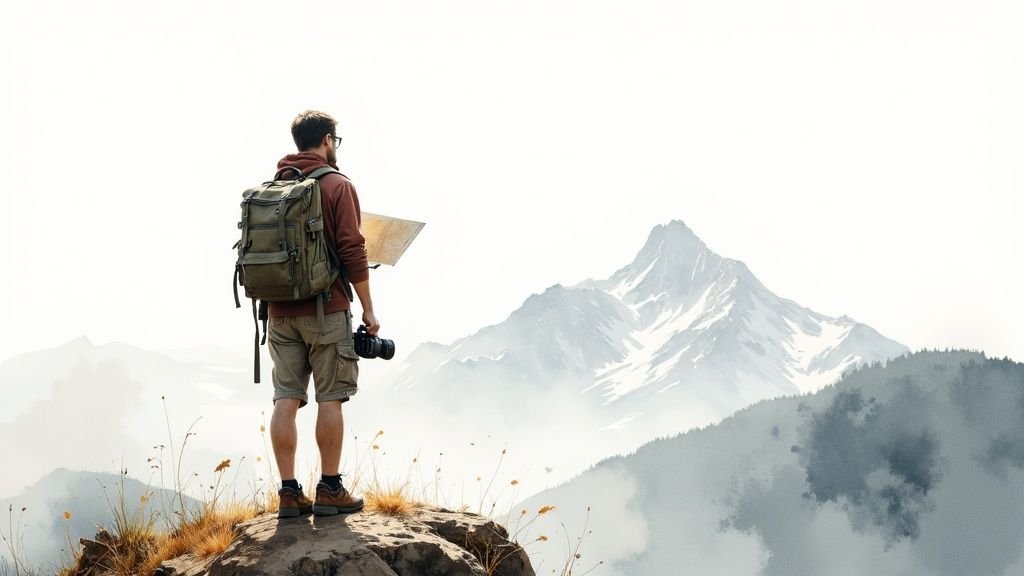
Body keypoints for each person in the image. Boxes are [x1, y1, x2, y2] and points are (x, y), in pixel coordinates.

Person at [269, 110, 379, 517]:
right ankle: (330, 489)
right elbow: (353, 249)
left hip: (278, 311)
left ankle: (287, 492)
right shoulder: (337, 185)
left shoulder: (274, 186)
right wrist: (368, 309)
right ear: (328, 140)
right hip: (326, 308)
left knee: (286, 398)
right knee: (330, 397)